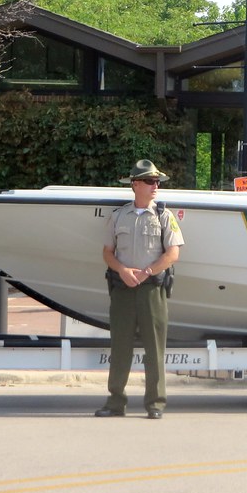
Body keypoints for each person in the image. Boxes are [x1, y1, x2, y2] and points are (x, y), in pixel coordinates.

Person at [96, 159, 184, 419]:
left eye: (157, 181)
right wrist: (123, 271)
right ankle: (115, 403)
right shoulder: (118, 216)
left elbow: (173, 254)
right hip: (122, 289)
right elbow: (107, 252)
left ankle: (155, 404)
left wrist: (148, 271)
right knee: (119, 348)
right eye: (149, 181)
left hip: (152, 290)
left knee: (154, 349)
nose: (155, 186)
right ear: (135, 184)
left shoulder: (164, 216)